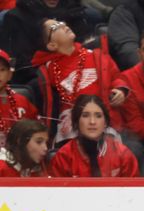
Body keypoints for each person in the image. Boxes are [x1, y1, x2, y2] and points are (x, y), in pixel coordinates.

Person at [32, 19, 123, 147]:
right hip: (71, 125)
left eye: (62, 22)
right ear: (52, 45)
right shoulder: (49, 69)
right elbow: (49, 106)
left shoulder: (96, 55)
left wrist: (120, 90)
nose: (63, 25)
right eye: (56, 26)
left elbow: (117, 77)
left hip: (102, 117)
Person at [0, 0, 91, 85]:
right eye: (55, 26)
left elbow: (83, 43)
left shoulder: (73, 10)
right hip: (38, 80)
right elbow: (18, 65)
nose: (64, 26)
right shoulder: (16, 17)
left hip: (78, 67)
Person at [51, 94, 140, 177]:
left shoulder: (123, 155)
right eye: (85, 116)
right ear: (76, 122)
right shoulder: (63, 157)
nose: (92, 122)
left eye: (98, 116)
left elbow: (134, 187)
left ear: (105, 123)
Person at [0, 49, 38, 150]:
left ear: (10, 75)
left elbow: (36, 131)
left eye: (2, 70)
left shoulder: (22, 101)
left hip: (19, 154)